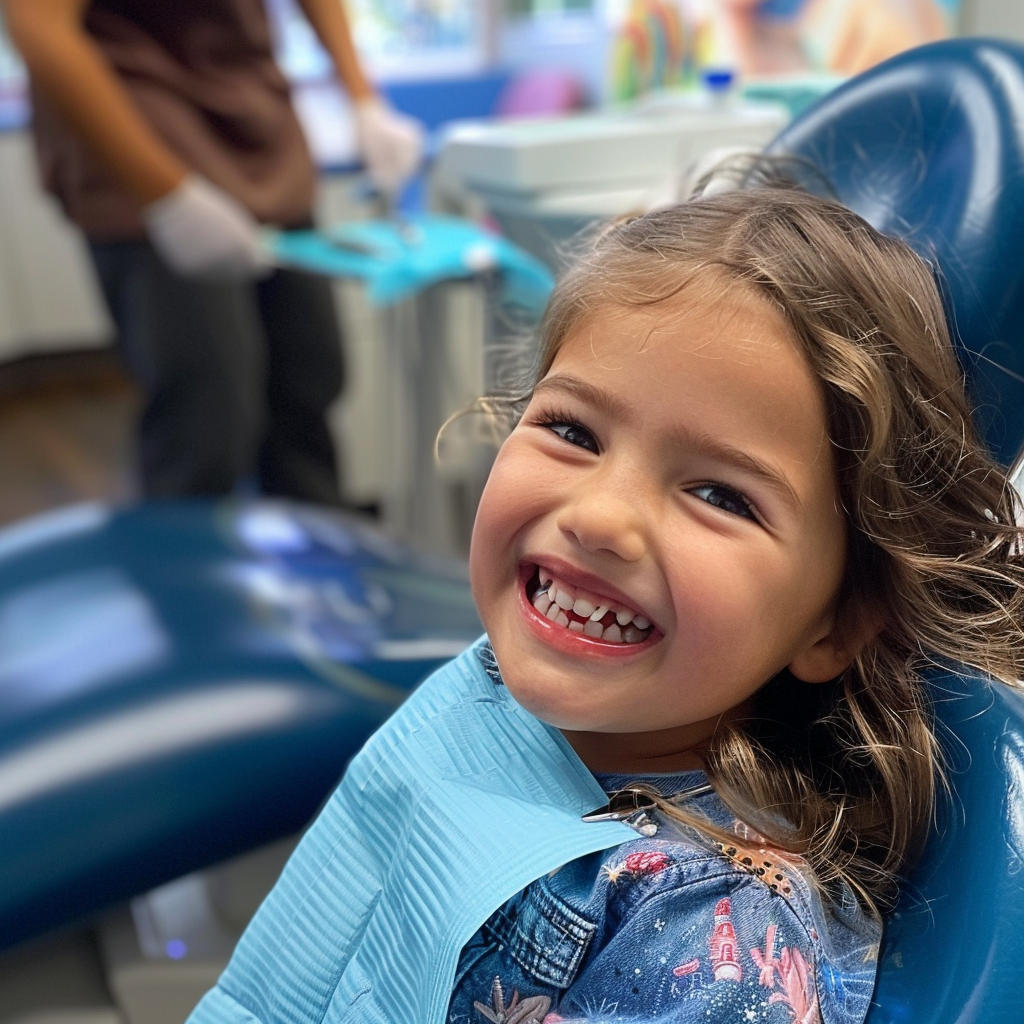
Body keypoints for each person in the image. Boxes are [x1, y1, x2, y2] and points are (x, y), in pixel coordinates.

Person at [184, 182, 1024, 1024]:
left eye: (721, 496)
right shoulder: (486, 686)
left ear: (834, 623)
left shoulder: (706, 948)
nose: (597, 518)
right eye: (573, 432)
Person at [3, 0, 422, 504]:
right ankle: (185, 578)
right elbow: (37, 23)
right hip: (139, 131)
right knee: (207, 411)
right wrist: (166, 196)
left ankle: (312, 565)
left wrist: (362, 99)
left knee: (310, 375)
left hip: (256, 122)